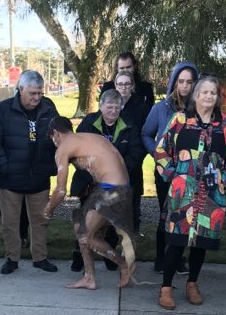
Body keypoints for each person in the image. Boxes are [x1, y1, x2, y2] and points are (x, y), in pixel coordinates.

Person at [154, 75, 226, 310]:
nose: (208, 96)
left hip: (211, 194)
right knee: (176, 241)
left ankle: (192, 283)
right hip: (182, 193)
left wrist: (223, 178)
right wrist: (173, 174)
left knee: (201, 242)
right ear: (195, 95)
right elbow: (161, 151)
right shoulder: (180, 120)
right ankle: (165, 288)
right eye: (204, 92)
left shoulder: (225, 125)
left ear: (217, 97)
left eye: (213, 93)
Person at [44, 116, 136, 290]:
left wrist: (48, 209)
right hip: (117, 187)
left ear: (56, 134)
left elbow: (60, 191)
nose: (53, 142)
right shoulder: (91, 137)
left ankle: (124, 264)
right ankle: (89, 277)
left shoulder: (64, 147)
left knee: (86, 237)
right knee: (80, 227)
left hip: (112, 191)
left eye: (52, 138)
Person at [0, 70, 59, 274]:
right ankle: (12, 258)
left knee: (41, 220)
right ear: (20, 89)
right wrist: (4, 167)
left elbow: (60, 138)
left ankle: (40, 258)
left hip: (39, 176)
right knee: (10, 222)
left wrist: (51, 165)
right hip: (11, 179)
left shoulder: (49, 108)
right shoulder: (3, 110)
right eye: (32, 93)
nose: (37, 98)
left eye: (40, 93)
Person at [71, 89, 145, 271]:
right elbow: (76, 150)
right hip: (90, 182)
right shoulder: (89, 122)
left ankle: (109, 256)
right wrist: (94, 173)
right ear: (101, 106)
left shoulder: (129, 125)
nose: (113, 110)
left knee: (112, 222)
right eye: (109, 106)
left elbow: (136, 154)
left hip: (116, 184)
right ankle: (79, 256)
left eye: (116, 107)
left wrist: (115, 173)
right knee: (86, 221)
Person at [142, 61, 199, 272]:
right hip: (166, 172)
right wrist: (157, 154)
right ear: (174, 83)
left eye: (189, 82)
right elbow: (145, 134)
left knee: (186, 216)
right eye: (180, 81)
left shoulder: (198, 110)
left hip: (190, 173)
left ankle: (178, 258)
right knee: (166, 214)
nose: (184, 86)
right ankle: (160, 257)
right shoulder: (161, 108)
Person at [112, 71, 149, 231]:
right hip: (111, 162)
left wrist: (133, 160)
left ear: (132, 86)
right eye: (120, 84)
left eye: (127, 84)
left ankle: (130, 241)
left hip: (132, 161)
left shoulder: (142, 108)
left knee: (132, 206)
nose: (123, 88)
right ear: (115, 86)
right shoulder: (110, 104)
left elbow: (145, 134)